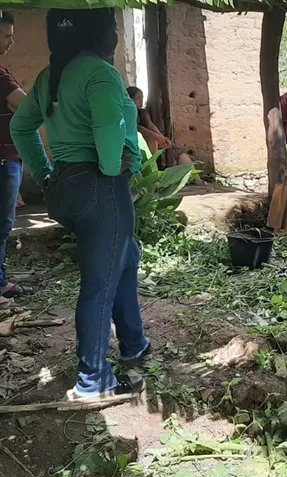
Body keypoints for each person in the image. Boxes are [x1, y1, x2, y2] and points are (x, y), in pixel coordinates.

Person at [10, 8, 150, 399]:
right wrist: (111, 166)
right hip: (101, 188)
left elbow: (20, 126)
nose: (118, 34)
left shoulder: (51, 77)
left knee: (125, 257)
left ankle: (134, 342)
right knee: (99, 283)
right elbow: (108, 127)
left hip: (68, 187)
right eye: (114, 27)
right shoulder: (100, 73)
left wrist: (44, 174)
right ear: (99, 33)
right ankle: (93, 379)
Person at [0, 12, 30, 309]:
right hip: (3, 157)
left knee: (4, 224)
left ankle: (0, 280)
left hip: (8, 156)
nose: (11, 41)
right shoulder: (0, 74)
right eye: (7, 35)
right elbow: (22, 104)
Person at [126, 86, 172, 155]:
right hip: (129, 139)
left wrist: (162, 138)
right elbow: (137, 128)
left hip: (143, 138)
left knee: (153, 140)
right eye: (138, 98)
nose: (141, 101)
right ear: (130, 99)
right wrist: (156, 136)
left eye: (142, 98)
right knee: (153, 138)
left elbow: (150, 125)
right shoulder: (127, 113)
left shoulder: (142, 112)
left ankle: (151, 162)